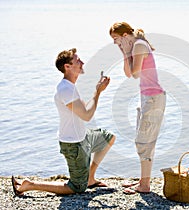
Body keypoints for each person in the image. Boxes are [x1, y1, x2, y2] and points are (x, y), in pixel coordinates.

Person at [11, 48, 115, 196]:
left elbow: (84, 110)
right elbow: (87, 116)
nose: (82, 62)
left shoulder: (71, 87)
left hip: (84, 136)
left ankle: (90, 178)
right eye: (77, 60)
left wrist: (96, 90)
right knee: (76, 187)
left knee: (109, 138)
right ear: (67, 67)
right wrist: (97, 92)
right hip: (74, 144)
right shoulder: (66, 89)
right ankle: (30, 184)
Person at [110, 22, 166, 194]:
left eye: (116, 38)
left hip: (153, 98)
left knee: (144, 141)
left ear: (125, 35)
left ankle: (144, 185)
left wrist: (127, 52)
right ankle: (143, 181)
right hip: (147, 97)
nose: (114, 42)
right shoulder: (135, 46)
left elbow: (135, 73)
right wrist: (124, 52)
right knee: (143, 140)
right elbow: (129, 74)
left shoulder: (140, 45)